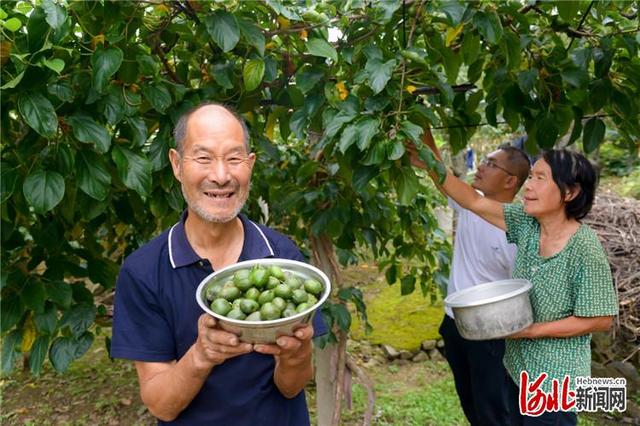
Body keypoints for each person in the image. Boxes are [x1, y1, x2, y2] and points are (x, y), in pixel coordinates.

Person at [111, 103, 326, 425]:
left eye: (234, 158)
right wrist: (202, 355)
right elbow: (161, 406)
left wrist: (296, 355)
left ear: (250, 165)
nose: (221, 175)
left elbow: (293, 386)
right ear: (176, 164)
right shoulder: (143, 272)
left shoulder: (283, 258)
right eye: (203, 158)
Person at [410, 138, 618, 426]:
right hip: (517, 368)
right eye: (531, 177)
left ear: (570, 192)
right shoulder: (526, 224)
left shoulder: (584, 248)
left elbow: (601, 319)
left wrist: (533, 331)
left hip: (553, 381)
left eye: (540, 179)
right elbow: (472, 199)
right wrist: (426, 149)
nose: (529, 186)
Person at [408, 130, 531, 425]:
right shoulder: (470, 200)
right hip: (455, 324)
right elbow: (442, 175)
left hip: (491, 334)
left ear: (510, 180)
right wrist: (422, 130)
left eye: (490, 164)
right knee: (471, 404)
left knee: (495, 410)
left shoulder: (515, 231)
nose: (481, 167)